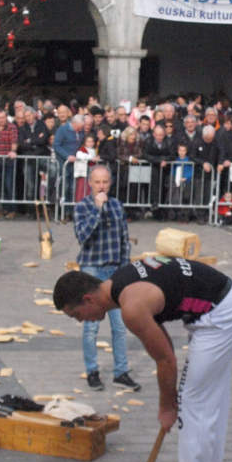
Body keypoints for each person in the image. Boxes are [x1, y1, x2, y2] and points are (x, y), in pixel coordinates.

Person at [53, 256, 232, 462]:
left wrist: (167, 407)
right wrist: (169, 401)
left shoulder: (132, 307)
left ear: (88, 299)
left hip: (221, 315)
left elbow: (166, 360)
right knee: (206, 399)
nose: (81, 321)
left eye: (76, 315)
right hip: (222, 304)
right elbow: (165, 346)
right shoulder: (120, 283)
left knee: (192, 401)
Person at [72, 165, 140, 392]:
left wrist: (125, 270)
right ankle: (92, 371)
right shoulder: (82, 207)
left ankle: (121, 372)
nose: (101, 186)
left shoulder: (117, 205)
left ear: (110, 183)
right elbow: (83, 236)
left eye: (105, 182)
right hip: (91, 270)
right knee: (91, 327)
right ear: (90, 183)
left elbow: (123, 239)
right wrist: (97, 209)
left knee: (119, 326)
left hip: (114, 271)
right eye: (97, 182)